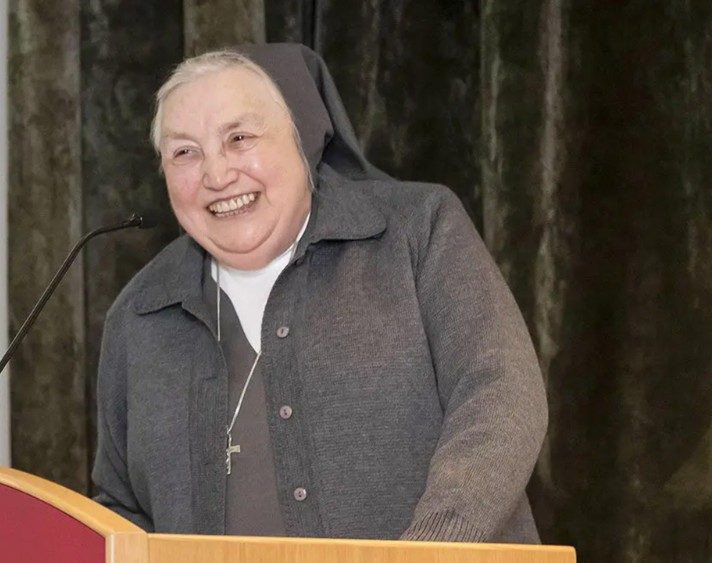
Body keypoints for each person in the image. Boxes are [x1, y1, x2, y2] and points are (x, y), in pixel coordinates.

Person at [91, 43, 547, 543]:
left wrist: (430, 552)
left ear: (300, 139)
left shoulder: (418, 231)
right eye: (184, 152)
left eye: (239, 138)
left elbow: (502, 397)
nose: (216, 175)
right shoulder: (138, 314)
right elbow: (121, 509)